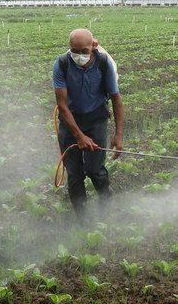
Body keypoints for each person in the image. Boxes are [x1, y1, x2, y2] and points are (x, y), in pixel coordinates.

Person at [52, 28, 124, 219]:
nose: (80, 56)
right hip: (70, 121)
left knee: (95, 170)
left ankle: (106, 212)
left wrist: (118, 134)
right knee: (75, 175)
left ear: (93, 46)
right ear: (69, 47)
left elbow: (116, 99)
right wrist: (79, 135)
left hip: (96, 119)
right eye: (75, 51)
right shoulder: (61, 64)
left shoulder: (103, 63)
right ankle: (83, 221)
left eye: (84, 51)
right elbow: (62, 106)